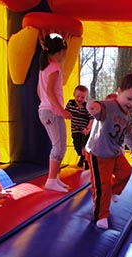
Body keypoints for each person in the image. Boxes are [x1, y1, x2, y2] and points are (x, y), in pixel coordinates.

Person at [85, 73, 132, 230]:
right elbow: (97, 107)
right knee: (101, 186)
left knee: (126, 171)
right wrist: (93, 106)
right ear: (119, 92)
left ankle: (113, 190)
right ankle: (101, 215)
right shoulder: (110, 105)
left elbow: (127, 132)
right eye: (129, 98)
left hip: (114, 152)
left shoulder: (125, 114)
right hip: (99, 153)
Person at [37, 34, 72, 193]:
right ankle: (51, 180)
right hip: (51, 112)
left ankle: (55, 178)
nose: (64, 56)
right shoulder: (54, 69)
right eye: (64, 53)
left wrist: (47, 104)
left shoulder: (44, 68)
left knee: (60, 146)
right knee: (58, 147)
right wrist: (61, 110)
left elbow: (40, 91)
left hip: (45, 111)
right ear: (57, 53)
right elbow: (50, 92)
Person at [65, 85, 94, 170]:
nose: (80, 99)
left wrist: (88, 128)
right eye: (78, 96)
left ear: (86, 97)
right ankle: (82, 157)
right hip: (75, 130)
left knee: (83, 146)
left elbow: (92, 118)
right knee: (77, 146)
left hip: (85, 130)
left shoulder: (86, 106)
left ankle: (85, 161)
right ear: (74, 94)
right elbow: (65, 112)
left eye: (82, 97)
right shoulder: (71, 103)